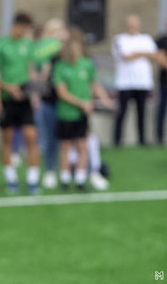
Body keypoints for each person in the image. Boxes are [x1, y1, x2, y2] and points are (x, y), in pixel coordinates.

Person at [54, 29, 113, 191]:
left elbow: (94, 84)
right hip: (66, 113)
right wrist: (81, 103)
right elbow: (61, 92)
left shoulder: (87, 64)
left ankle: (80, 179)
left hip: (82, 114)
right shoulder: (60, 67)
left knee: (82, 145)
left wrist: (105, 100)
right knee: (65, 146)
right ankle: (65, 179)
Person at [0, 12, 40, 194]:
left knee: (31, 137)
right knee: (7, 139)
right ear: (16, 26)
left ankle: (32, 179)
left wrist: (32, 88)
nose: (25, 32)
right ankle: (10, 179)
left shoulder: (28, 45)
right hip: (7, 99)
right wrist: (7, 88)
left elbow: (30, 69)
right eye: (24, 29)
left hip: (25, 98)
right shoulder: (1, 45)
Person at [112, 14, 159, 146]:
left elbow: (155, 55)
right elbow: (126, 56)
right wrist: (144, 53)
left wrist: (137, 53)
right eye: (130, 24)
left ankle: (142, 140)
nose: (132, 27)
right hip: (124, 83)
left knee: (142, 113)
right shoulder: (119, 39)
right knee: (122, 112)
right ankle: (117, 140)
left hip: (142, 82)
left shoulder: (146, 39)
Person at [32, 19, 67, 189]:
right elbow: (39, 74)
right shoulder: (43, 51)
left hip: (69, 104)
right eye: (54, 30)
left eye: (60, 30)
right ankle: (50, 171)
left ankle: (74, 173)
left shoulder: (70, 55)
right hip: (50, 101)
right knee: (50, 139)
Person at [154, 29, 167, 145]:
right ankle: (159, 137)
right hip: (165, 82)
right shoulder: (162, 41)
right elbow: (161, 60)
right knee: (162, 108)